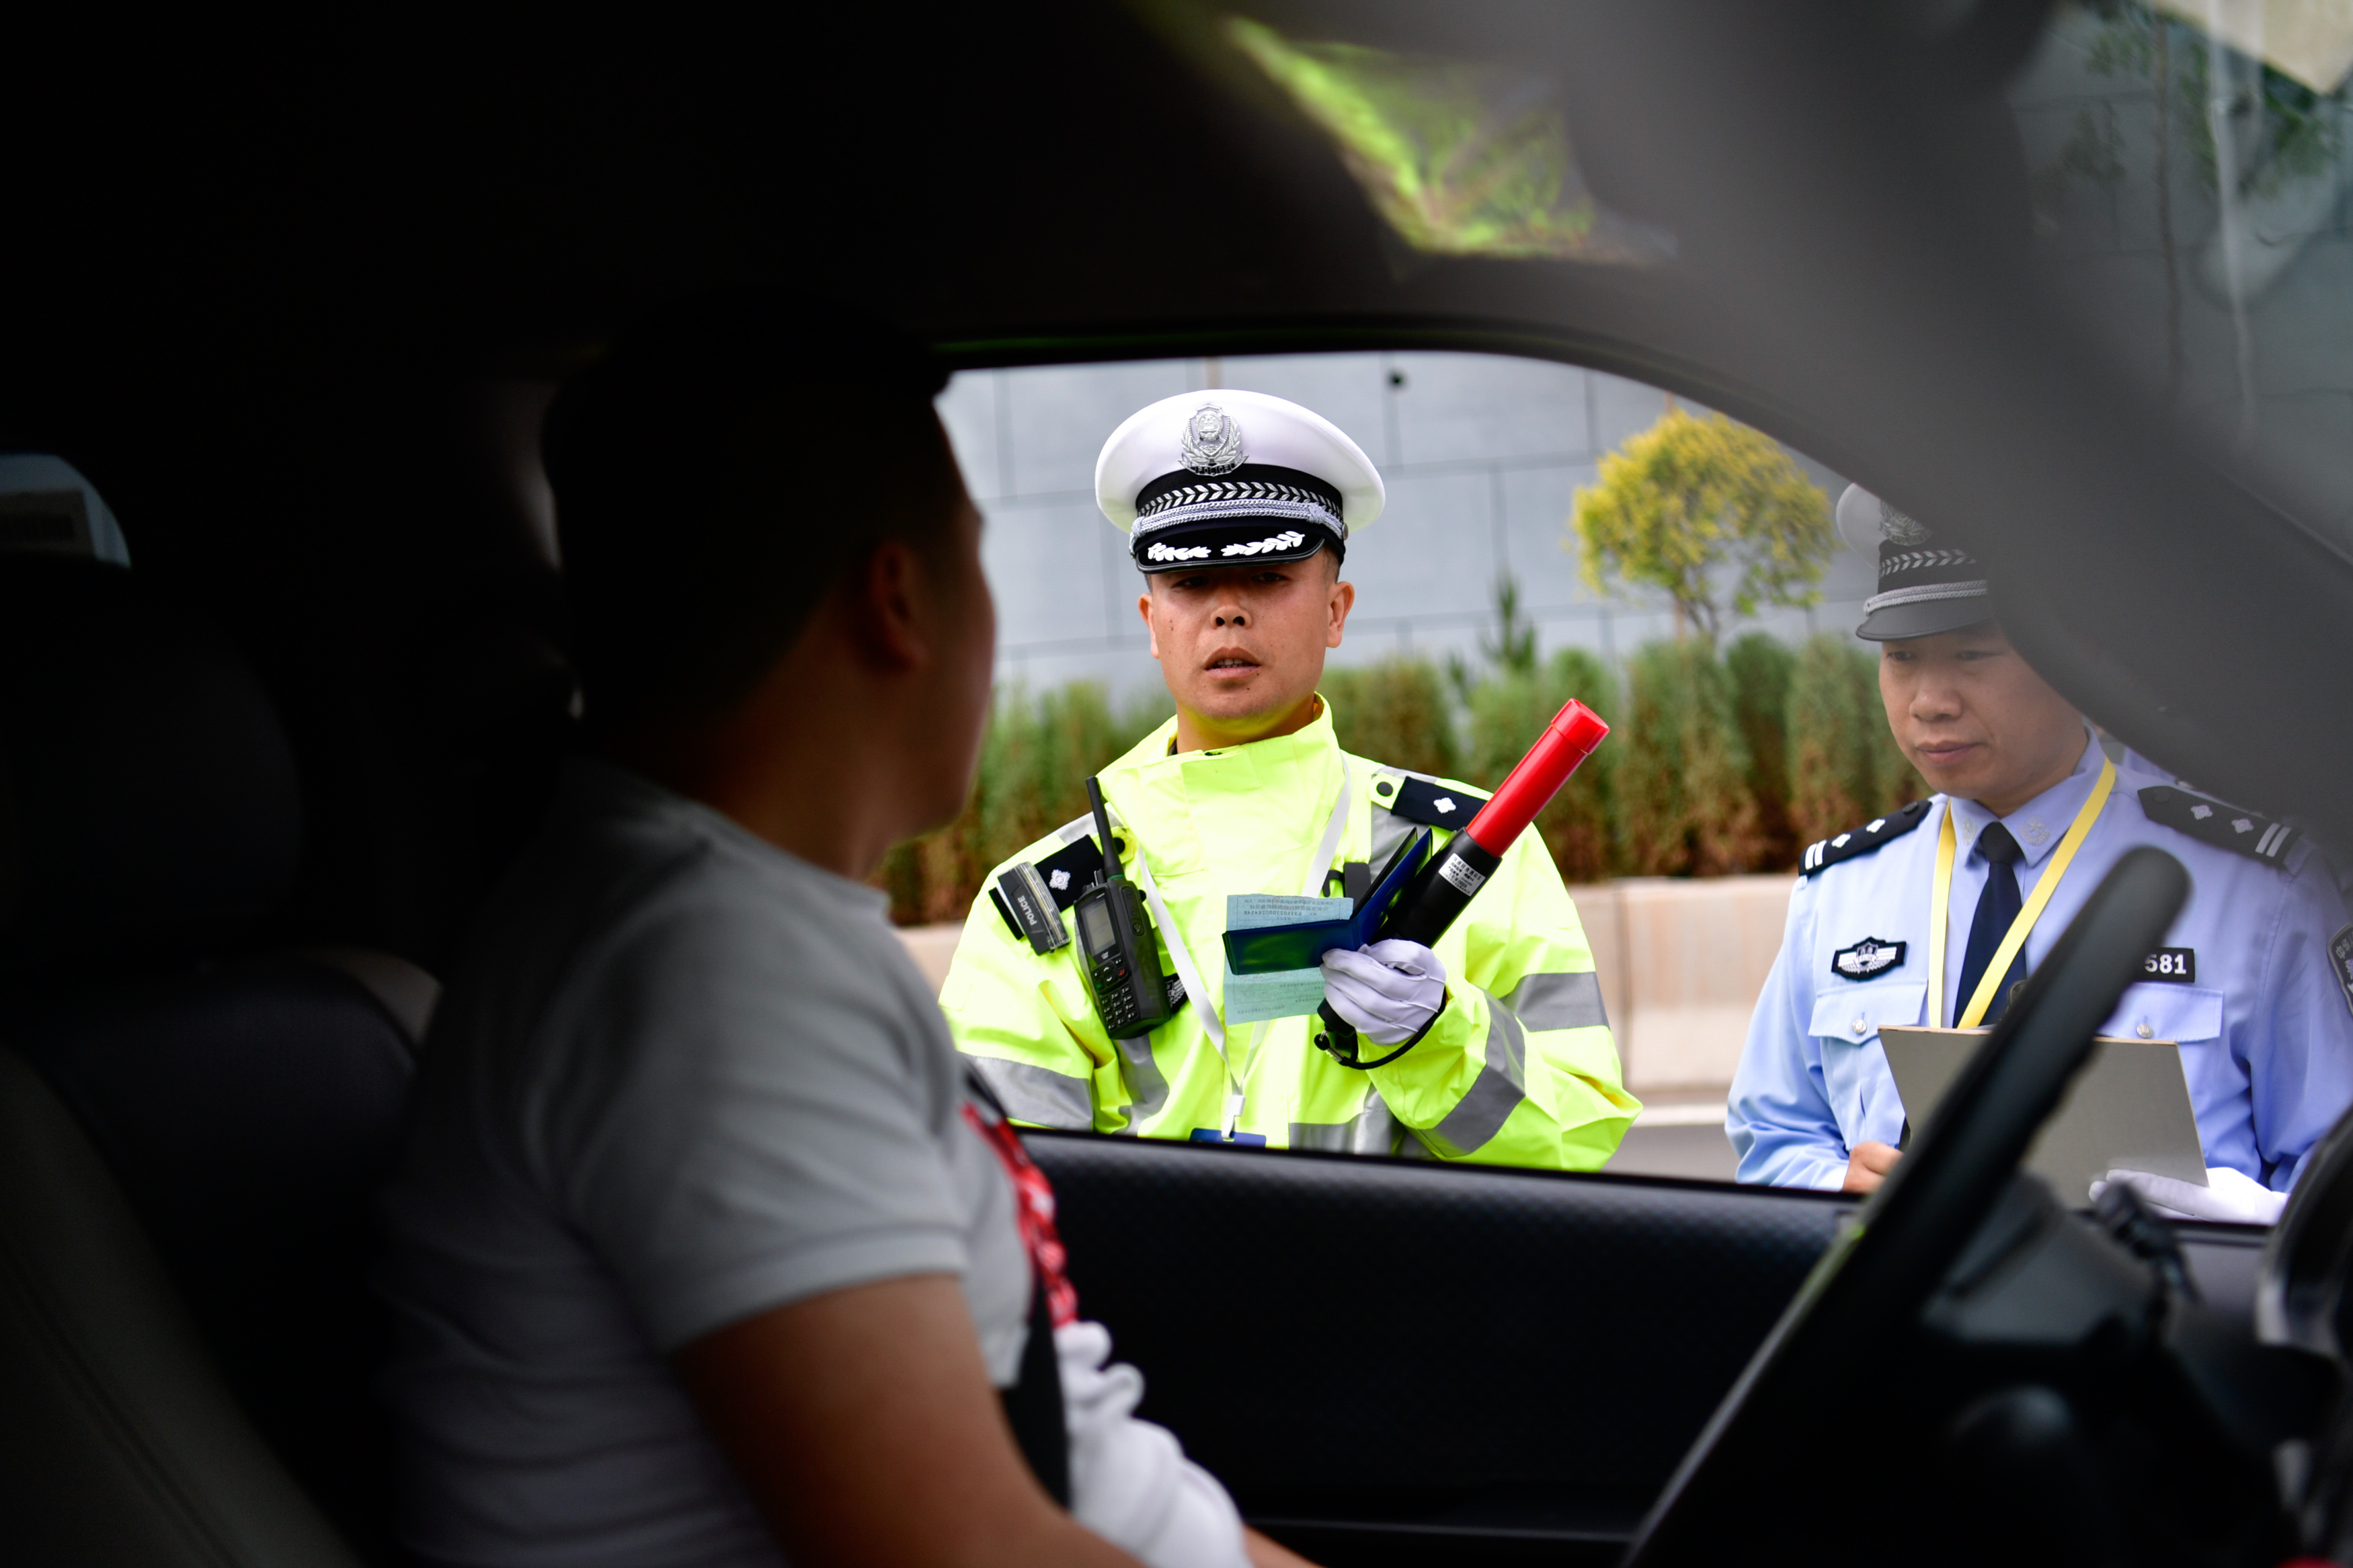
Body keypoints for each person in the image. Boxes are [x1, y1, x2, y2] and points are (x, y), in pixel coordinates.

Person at [376, 310, 1310, 1568]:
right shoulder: (710, 971)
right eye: (978, 559)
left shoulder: (721, 925)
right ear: (898, 598)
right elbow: (958, 1549)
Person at [941, 389, 1636, 1167]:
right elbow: (999, 1193)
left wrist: (1440, 1038)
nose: (1227, 610)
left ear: (1335, 611)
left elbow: (1579, 1140)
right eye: (1190, 583)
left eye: (1268, 575)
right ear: (1150, 620)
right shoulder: (1036, 907)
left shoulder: (1475, 851)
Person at [1728, 485, 2353, 1220]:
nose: (1928, 698)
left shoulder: (2253, 891)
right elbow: (1772, 1132)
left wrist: (2232, 1217)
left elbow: (2330, 1166)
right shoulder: (1839, 891)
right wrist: (1835, 1184)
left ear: (2075, 656)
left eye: (1970, 652)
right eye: (1901, 656)